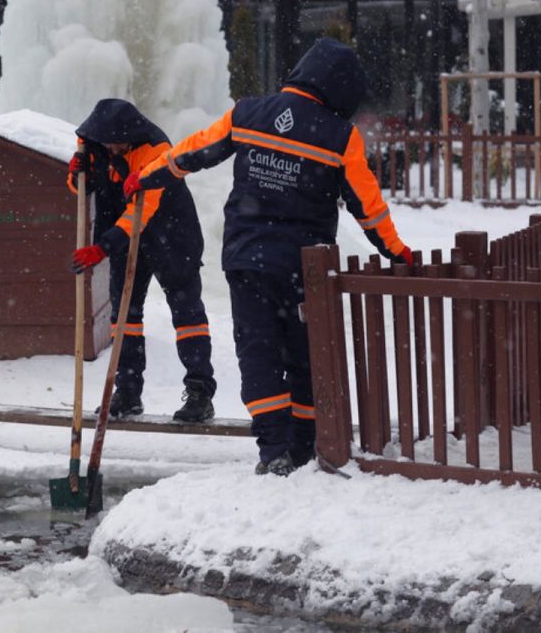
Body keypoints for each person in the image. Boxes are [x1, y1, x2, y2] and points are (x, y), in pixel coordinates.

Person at [125, 38, 414, 475]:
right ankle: (302, 446)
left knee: (257, 353)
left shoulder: (248, 114)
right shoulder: (340, 136)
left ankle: (273, 449)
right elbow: (368, 206)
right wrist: (396, 252)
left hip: (247, 262)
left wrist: (145, 177)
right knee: (304, 356)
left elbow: (192, 153)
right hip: (306, 270)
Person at [68, 99, 217, 423]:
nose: (113, 148)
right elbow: (85, 186)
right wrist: (77, 174)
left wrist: (103, 247)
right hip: (125, 241)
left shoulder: (155, 149)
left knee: (187, 315)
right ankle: (127, 392)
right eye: (107, 143)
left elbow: (141, 211)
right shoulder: (93, 144)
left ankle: (199, 393)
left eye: (118, 143)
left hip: (172, 237)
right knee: (126, 317)